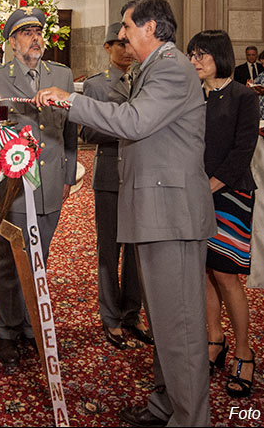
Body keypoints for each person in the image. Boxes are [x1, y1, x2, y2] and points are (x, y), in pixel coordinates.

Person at [35, 0, 216, 426]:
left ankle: (191, 419)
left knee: (182, 332)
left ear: (152, 28)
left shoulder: (171, 67)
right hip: (156, 211)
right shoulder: (151, 68)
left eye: (128, 27)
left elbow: (133, 122)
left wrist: (68, 100)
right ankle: (165, 407)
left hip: (171, 216)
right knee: (165, 327)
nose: (122, 35)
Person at [0, 7, 77, 368]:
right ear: (12, 41)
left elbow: (70, 129)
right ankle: (7, 329)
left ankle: (34, 327)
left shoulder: (61, 74)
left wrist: (66, 175)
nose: (36, 38)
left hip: (50, 184)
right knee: (8, 260)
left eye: (39, 31)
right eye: (27, 32)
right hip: (14, 187)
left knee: (39, 259)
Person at [186, 30, 260, 399]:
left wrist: (209, 186)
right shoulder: (191, 97)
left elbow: (243, 150)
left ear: (221, 57)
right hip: (195, 194)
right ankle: (215, 339)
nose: (195, 61)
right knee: (202, 269)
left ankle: (244, 352)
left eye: (202, 55)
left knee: (226, 273)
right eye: (192, 55)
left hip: (231, 193)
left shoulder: (244, 96)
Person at [80, 22, 153, 350]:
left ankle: (131, 313)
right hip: (110, 175)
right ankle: (110, 316)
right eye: (119, 45)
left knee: (138, 250)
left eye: (129, 44)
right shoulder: (95, 86)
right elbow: (86, 133)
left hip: (141, 176)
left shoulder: (145, 80)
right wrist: (127, 127)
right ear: (108, 48)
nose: (126, 50)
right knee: (109, 251)